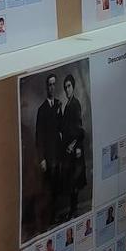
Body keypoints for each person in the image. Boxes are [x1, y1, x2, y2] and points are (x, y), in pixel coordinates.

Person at [35, 73, 64, 228]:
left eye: (54, 84)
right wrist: (42, 159)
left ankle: (54, 217)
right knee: (48, 189)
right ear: (46, 87)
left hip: (57, 155)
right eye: (49, 85)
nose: (52, 87)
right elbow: (39, 136)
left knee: (57, 187)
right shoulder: (42, 110)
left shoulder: (58, 105)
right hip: (48, 157)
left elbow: (61, 127)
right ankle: (46, 221)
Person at [58, 73, 87, 221]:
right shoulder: (67, 105)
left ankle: (74, 210)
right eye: (65, 87)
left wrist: (73, 145)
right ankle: (72, 209)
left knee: (74, 181)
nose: (67, 89)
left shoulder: (75, 104)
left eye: (69, 86)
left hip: (75, 149)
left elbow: (80, 130)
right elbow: (64, 127)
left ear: (73, 87)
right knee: (70, 181)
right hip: (68, 151)